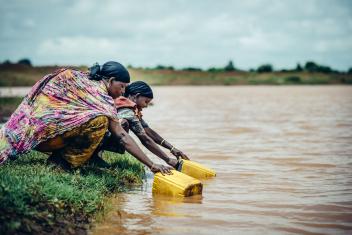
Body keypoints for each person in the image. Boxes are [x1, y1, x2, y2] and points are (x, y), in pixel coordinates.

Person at [0, 62, 172, 175]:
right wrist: (152, 165)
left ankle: (89, 157)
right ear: (111, 80)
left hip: (30, 132)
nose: (122, 92)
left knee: (102, 121)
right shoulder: (101, 97)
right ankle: (62, 163)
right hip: (44, 138)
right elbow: (121, 136)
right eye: (122, 87)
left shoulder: (81, 78)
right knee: (100, 122)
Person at [92, 81, 189, 168]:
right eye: (146, 101)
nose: (146, 105)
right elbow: (145, 139)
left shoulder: (130, 107)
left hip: (97, 136)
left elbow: (148, 131)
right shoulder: (126, 110)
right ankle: (93, 156)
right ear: (136, 96)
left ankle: (96, 155)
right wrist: (167, 160)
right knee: (123, 124)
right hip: (93, 137)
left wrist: (172, 148)